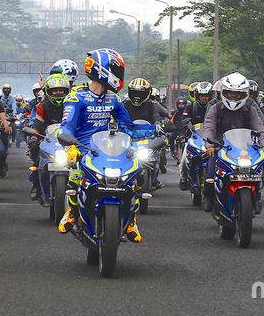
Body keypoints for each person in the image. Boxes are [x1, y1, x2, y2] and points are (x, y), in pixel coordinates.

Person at [57, 48, 160, 242]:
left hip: (108, 149)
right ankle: (72, 211)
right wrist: (69, 143)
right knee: (75, 177)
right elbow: (66, 127)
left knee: (135, 177)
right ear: (102, 69)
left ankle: (131, 221)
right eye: (116, 70)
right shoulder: (75, 98)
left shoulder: (113, 99)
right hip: (83, 150)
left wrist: (157, 130)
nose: (119, 75)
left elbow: (128, 129)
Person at [202, 72, 264, 212]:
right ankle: (208, 196)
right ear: (224, 92)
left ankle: (256, 197)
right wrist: (209, 145)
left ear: (244, 94)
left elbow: (259, 128)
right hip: (221, 148)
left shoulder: (250, 109)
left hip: (246, 147)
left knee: (258, 171)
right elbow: (209, 127)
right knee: (210, 171)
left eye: (237, 93)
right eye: (231, 93)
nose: (234, 96)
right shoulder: (215, 108)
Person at [28, 73, 71, 199]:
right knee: (37, 158)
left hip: (71, 140)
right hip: (48, 139)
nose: (58, 93)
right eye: (54, 90)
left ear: (67, 91)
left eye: (61, 90)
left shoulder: (73, 104)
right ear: (48, 92)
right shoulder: (42, 106)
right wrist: (34, 136)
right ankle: (36, 185)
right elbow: (37, 124)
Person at [178, 81, 215, 190]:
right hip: (194, 137)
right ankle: (183, 178)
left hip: (212, 139)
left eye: (206, 97)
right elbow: (183, 120)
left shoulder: (215, 107)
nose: (203, 99)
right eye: (201, 96)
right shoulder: (190, 107)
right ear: (196, 96)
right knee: (184, 158)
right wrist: (184, 131)